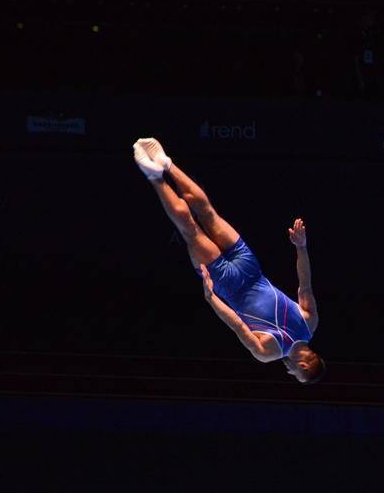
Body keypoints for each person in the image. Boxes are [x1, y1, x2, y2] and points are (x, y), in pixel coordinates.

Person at [133, 137, 325, 383]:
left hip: (250, 266)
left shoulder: (311, 323)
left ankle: (165, 163)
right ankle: (155, 176)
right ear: (304, 366)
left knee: (208, 213)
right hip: (228, 284)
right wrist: (212, 299)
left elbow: (304, 284)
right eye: (296, 374)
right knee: (190, 229)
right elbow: (236, 324)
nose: (290, 372)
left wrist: (301, 247)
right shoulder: (269, 353)